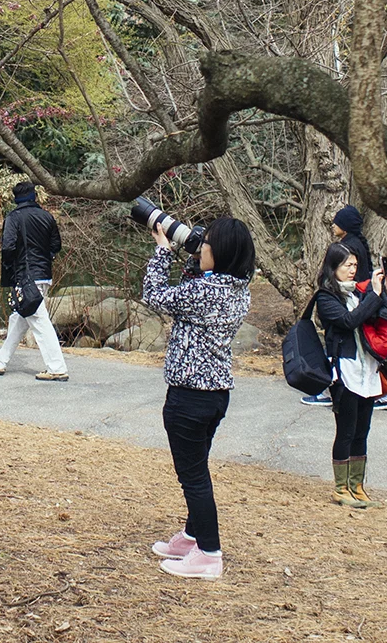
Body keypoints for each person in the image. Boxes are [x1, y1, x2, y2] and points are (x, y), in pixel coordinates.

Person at [141, 216, 254, 581]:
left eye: (206, 244)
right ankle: (192, 536)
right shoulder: (238, 288)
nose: (200, 246)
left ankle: (208, 553)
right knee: (197, 470)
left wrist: (163, 251)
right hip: (215, 395)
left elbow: (154, 295)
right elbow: (197, 283)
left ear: (220, 253)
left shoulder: (205, 292)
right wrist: (193, 258)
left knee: (193, 476)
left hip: (189, 397)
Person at [313, 243, 387, 508]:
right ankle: (341, 488)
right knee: (346, 431)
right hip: (344, 371)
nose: (352, 270)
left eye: (354, 265)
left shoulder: (359, 293)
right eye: (347, 265)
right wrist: (374, 295)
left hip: (367, 369)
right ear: (333, 267)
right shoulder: (326, 297)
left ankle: (357, 487)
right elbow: (349, 321)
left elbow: (382, 319)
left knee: (362, 431)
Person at [0, 182, 68, 381]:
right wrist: (45, 258)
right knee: (20, 317)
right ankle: (0, 360)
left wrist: (11, 268)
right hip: (44, 275)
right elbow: (56, 245)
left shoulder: (14, 217)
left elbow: (8, 247)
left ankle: (57, 368)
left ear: (16, 198)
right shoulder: (47, 216)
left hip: (25, 276)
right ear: (34, 196)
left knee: (39, 321)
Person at [303, 203, 374, 407]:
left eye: (337, 222)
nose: (333, 225)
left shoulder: (349, 247)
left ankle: (328, 389)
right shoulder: (355, 243)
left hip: (351, 301)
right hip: (355, 299)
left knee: (340, 344)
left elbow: (348, 319)